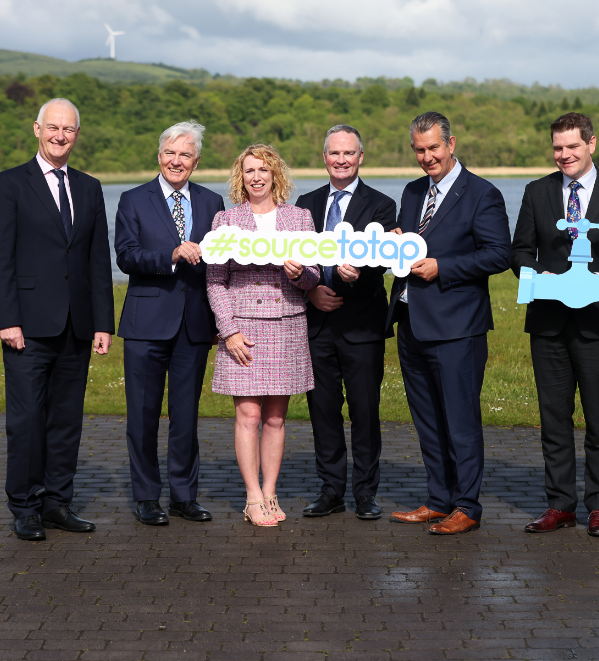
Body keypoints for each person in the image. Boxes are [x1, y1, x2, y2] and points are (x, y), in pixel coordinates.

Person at [511, 113, 599, 538]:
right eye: (557, 147)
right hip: (548, 323)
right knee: (553, 417)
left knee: (598, 416)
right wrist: (545, 278)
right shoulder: (537, 191)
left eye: (572, 146)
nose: (564, 154)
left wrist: (596, 283)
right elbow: (519, 252)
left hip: (597, 324)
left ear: (591, 143)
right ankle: (560, 505)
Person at [0, 97, 115, 541]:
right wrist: (8, 319)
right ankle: (24, 506)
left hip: (77, 326)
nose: (61, 136)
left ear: (77, 135)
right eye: (53, 127)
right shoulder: (9, 184)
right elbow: (0, 258)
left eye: (69, 129)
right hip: (27, 326)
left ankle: (57, 502)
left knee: (66, 420)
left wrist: (103, 322)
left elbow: (98, 261)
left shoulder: (90, 187)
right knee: (25, 421)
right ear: (37, 129)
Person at [386, 111, 512, 535]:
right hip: (411, 322)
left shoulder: (482, 193)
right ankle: (438, 500)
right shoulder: (412, 191)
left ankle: (467, 507)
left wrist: (443, 267)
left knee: (460, 420)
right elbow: (411, 245)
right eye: (420, 150)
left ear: (451, 144)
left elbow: (499, 254)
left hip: (458, 328)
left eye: (434, 148)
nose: (428, 157)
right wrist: (393, 244)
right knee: (427, 419)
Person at [114, 120, 226, 527]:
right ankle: (147, 497)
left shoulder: (213, 202)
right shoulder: (132, 199)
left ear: (196, 161)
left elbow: (222, 259)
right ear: (159, 155)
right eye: (170, 153)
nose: (176, 161)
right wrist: (172, 255)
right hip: (145, 325)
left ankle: (183, 496)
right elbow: (126, 256)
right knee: (143, 415)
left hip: (194, 325)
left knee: (186, 416)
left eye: (185, 155)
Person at [206, 144, 321, 527]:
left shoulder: (299, 218)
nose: (256, 177)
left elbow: (314, 275)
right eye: (249, 170)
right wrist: (229, 331)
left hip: (286, 324)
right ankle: (252, 496)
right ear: (241, 177)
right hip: (243, 327)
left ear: (275, 175)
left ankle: (270, 491)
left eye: (263, 170)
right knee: (248, 414)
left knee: (274, 418)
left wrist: (300, 274)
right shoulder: (225, 220)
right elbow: (215, 280)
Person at [295, 125, 397, 520]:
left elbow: (386, 257)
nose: (341, 160)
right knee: (323, 411)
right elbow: (297, 259)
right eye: (334, 153)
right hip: (317, 324)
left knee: (365, 411)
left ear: (361, 157)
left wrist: (361, 270)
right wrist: (310, 292)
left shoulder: (382, 205)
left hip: (362, 325)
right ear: (324, 158)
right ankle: (331, 490)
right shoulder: (305, 204)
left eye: (349, 153)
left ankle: (366, 493)